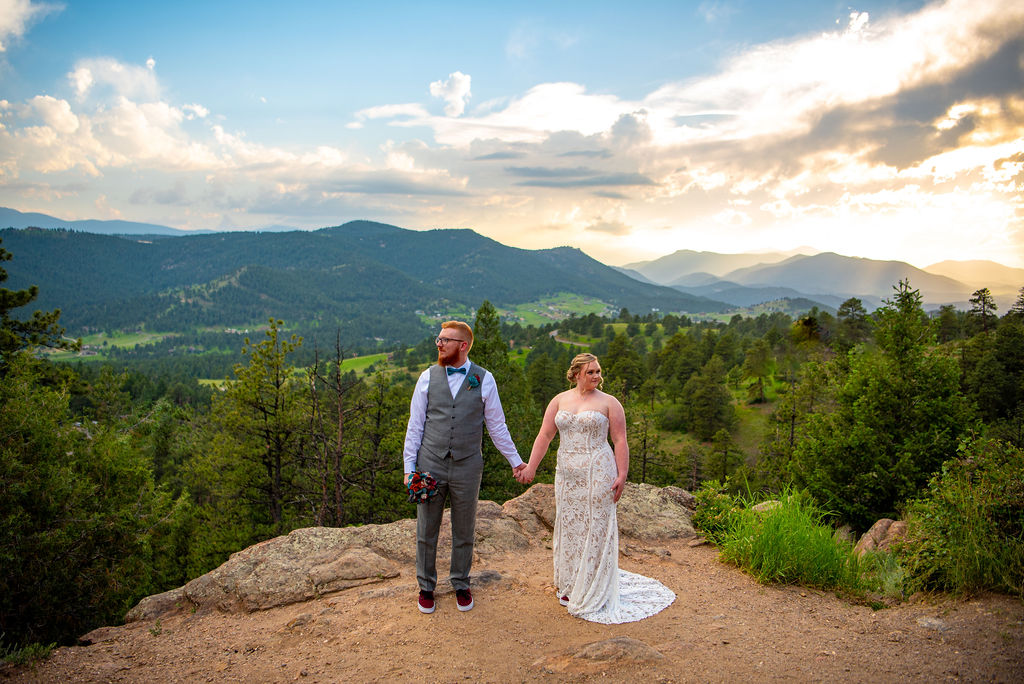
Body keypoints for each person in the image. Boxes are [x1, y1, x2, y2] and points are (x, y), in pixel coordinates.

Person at [517, 353, 675, 624]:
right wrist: (530, 467)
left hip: (598, 472)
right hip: (566, 475)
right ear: (576, 373)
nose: (597, 376)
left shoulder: (609, 403)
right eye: (590, 371)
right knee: (570, 526)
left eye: (598, 371)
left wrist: (622, 474)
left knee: (596, 526)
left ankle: (593, 586)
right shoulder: (559, 400)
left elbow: (620, 440)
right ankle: (569, 585)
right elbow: (545, 435)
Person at [403, 320, 526, 614]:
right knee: (426, 528)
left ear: (463, 346)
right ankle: (426, 586)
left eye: (446, 340)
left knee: (464, 528)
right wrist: (409, 467)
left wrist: (516, 461)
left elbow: (497, 426)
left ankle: (460, 582)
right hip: (429, 463)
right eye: (439, 339)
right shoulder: (427, 377)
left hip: (468, 465)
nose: (439, 344)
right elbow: (415, 426)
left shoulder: (485, 379)